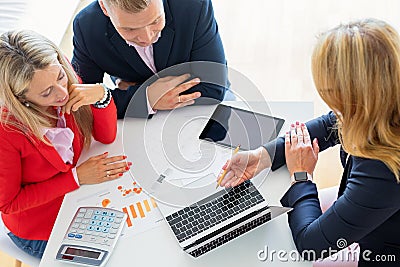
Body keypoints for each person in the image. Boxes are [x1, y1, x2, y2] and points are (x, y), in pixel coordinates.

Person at [218, 18, 400, 266]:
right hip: (371, 213)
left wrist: (301, 175)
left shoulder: (383, 171)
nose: (330, 104)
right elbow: (331, 124)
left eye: (332, 92)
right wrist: (263, 156)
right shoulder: (383, 104)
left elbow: (311, 246)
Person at [0, 30, 131, 258]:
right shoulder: (6, 132)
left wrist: (102, 97)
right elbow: (9, 203)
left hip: (81, 199)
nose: (62, 94)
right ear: (21, 99)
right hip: (41, 228)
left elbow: (106, 136)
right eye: (46, 93)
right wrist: (76, 177)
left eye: (60, 76)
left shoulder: (62, 81)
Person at [72, 0, 228, 119]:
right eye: (130, 29)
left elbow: (215, 88)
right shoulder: (86, 27)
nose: (147, 38)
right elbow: (80, 104)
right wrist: (146, 97)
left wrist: (131, 93)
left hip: (200, 113)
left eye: (155, 21)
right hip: (136, 127)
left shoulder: (194, 5)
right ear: (104, 8)